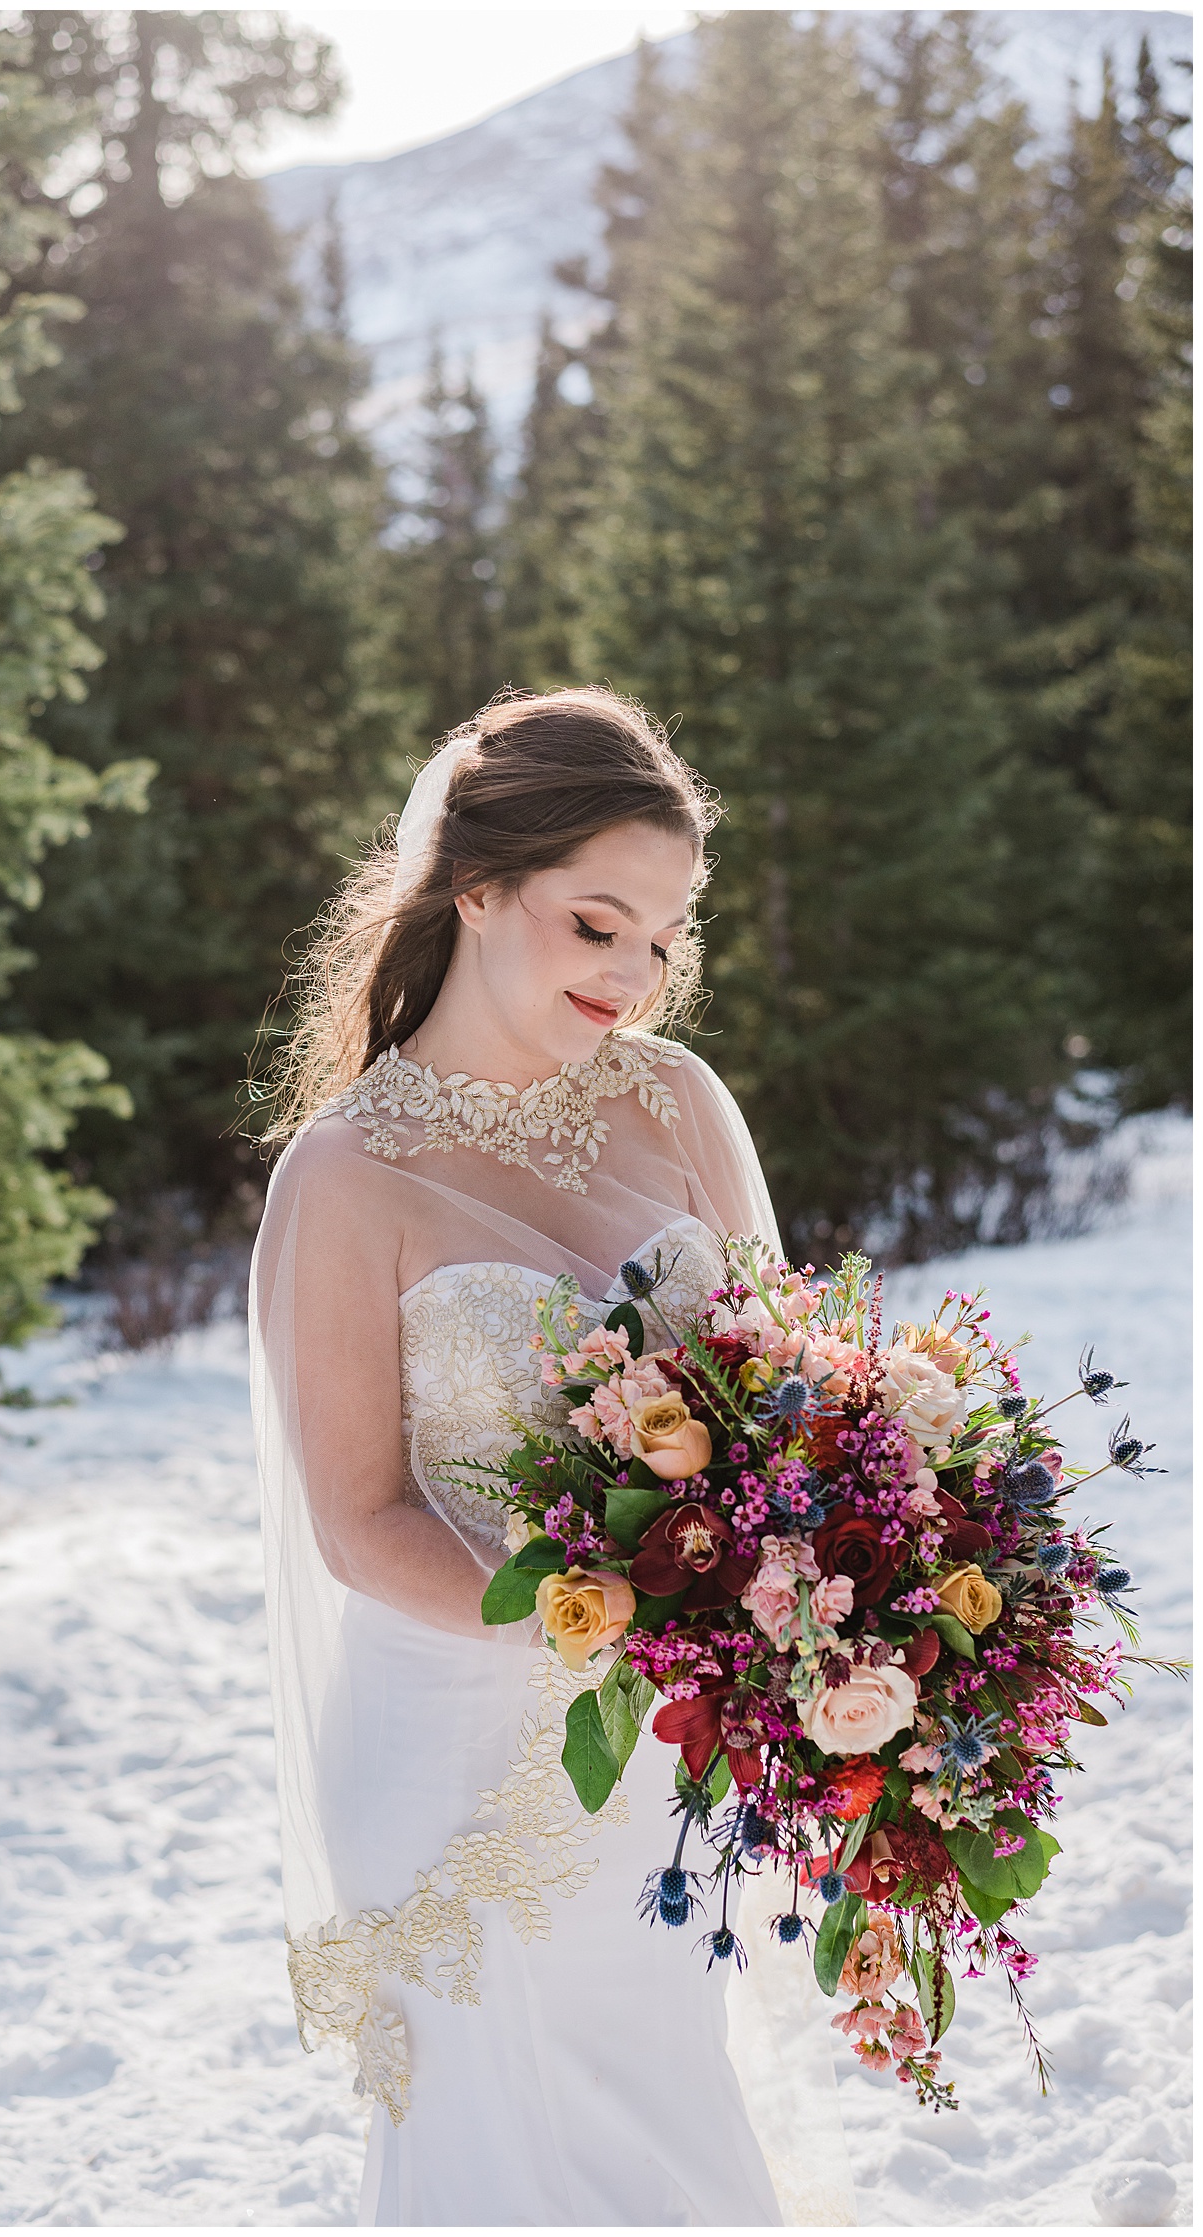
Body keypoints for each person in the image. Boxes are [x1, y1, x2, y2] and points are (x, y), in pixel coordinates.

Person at [249, 688, 857, 2226]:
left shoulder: (678, 1103)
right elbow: (362, 1521)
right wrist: (616, 1621)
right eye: (598, 922)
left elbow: (793, 1405)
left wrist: (830, 1593)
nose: (636, 973)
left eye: (662, 935)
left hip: (661, 1755)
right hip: (458, 1761)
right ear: (477, 886)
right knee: (502, 2160)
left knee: (669, 2138)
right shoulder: (348, 1176)